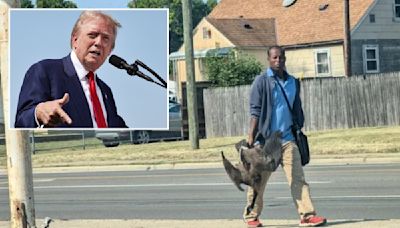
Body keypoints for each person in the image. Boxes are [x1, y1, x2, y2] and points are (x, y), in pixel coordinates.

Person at [245, 46, 327, 227]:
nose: (278, 60)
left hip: (288, 139)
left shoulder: (293, 82)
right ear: (268, 59)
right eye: (274, 58)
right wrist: (251, 135)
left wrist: (299, 126)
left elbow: (296, 107)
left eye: (281, 57)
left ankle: (307, 215)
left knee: (298, 179)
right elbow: (255, 110)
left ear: (285, 59)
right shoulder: (261, 81)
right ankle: (252, 217)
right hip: (267, 141)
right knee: (258, 181)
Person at [15, 11, 127, 128]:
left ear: (110, 50)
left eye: (105, 38)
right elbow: (21, 122)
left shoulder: (105, 91)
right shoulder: (44, 71)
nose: (98, 42)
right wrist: (38, 112)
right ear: (75, 40)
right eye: (92, 35)